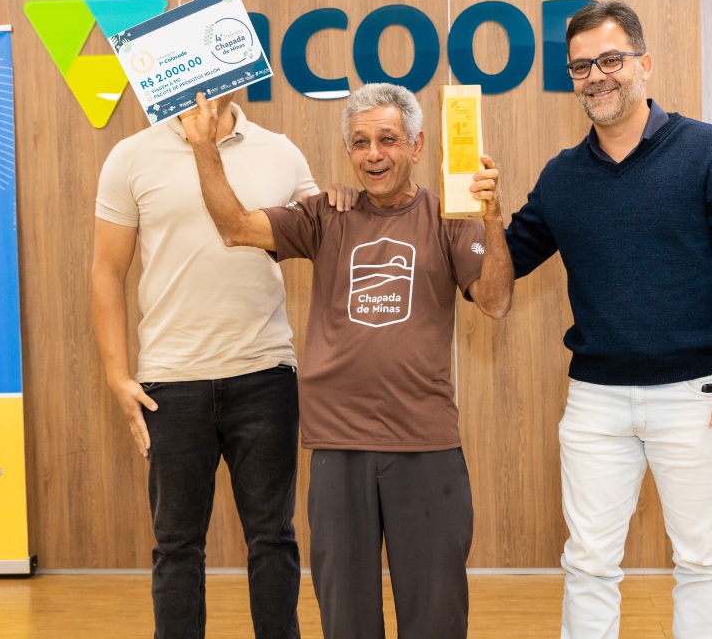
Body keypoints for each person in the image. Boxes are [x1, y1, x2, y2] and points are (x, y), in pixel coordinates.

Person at [179, 83, 513, 639]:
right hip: (338, 446)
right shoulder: (324, 214)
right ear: (348, 152)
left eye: (388, 139)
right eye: (360, 143)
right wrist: (204, 148)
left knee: (436, 620)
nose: (373, 154)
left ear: (417, 145)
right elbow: (236, 226)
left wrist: (493, 217)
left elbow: (496, 302)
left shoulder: (450, 217)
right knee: (347, 623)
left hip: (425, 445)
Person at [504, 1, 712, 639]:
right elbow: (502, 264)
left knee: (703, 561)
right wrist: (474, 210)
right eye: (581, 66)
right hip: (595, 401)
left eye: (610, 59)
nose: (596, 76)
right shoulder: (562, 177)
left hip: (696, 396)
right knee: (588, 562)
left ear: (644, 63)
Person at [91, 93, 354, 639]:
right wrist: (118, 377)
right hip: (170, 383)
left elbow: (328, 236)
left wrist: (341, 196)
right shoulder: (130, 156)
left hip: (265, 376)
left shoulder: (280, 151)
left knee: (273, 538)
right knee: (177, 545)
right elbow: (106, 271)